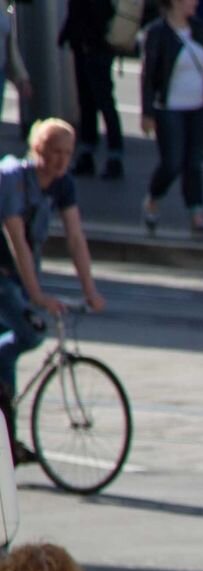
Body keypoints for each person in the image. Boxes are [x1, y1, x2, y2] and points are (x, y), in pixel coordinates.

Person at [0, 119, 106, 464]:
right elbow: (17, 242)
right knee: (29, 333)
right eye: (55, 152)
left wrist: (90, 290)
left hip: (16, 276)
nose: (62, 161)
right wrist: (37, 296)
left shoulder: (62, 185)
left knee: (7, 358)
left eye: (68, 154)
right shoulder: (13, 181)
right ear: (38, 150)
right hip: (3, 273)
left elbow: (75, 238)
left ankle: (7, 444)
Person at [140, 0, 203, 238]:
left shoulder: (200, 29)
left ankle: (197, 217)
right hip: (169, 109)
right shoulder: (157, 32)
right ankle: (153, 198)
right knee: (172, 163)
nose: (195, 3)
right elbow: (149, 75)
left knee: (193, 164)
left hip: (198, 109)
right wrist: (147, 113)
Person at [58, 0, 125, 180]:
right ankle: (98, 153)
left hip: (92, 47)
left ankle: (108, 154)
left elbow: (81, 14)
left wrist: (67, 36)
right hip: (91, 47)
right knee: (94, 102)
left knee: (99, 102)